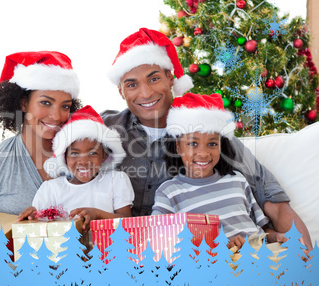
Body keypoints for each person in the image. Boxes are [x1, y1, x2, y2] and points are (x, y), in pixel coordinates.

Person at [101, 27, 312, 251]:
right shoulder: (103, 129)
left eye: (154, 79)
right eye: (132, 84)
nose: (145, 93)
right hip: (119, 254)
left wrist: (307, 263)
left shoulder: (210, 131)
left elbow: (274, 203)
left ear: (170, 78)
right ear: (121, 91)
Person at [0, 51, 82, 216]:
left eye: (65, 106)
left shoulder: (82, 154)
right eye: (45, 103)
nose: (56, 116)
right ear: (23, 103)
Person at [152, 93, 280, 249]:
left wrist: (278, 237)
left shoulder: (237, 181)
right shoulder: (168, 193)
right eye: (193, 143)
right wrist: (218, 247)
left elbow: (263, 230)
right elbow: (159, 240)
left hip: (262, 253)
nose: (204, 153)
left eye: (212, 144)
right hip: (218, 263)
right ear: (178, 147)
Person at [17, 105, 134, 231]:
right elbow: (39, 226)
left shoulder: (115, 180)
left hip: (108, 249)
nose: (83, 162)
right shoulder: (51, 189)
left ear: (104, 156)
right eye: (74, 153)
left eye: (92, 153)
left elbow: (127, 222)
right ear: (64, 158)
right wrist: (32, 216)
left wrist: (98, 214)